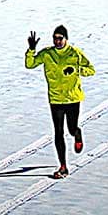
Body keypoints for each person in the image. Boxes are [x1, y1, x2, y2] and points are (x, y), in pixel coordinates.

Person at [25, 24, 96, 179]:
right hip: (56, 99)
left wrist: (76, 70)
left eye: (60, 38)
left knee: (71, 129)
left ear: (66, 39)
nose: (57, 41)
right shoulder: (47, 54)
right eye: (55, 38)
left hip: (72, 98)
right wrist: (31, 50)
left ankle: (77, 134)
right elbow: (30, 64)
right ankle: (63, 167)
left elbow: (91, 69)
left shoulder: (75, 53)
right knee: (58, 132)